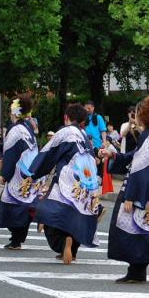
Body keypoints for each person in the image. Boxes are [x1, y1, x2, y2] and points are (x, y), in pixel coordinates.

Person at [104, 93, 149, 283]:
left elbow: (141, 169)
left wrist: (132, 196)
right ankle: (142, 265)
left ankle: (136, 270)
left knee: (129, 228)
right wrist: (113, 156)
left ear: (141, 114)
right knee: (145, 228)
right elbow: (135, 157)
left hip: (145, 190)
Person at [28, 103, 102, 263]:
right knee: (77, 215)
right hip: (89, 185)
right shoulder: (85, 136)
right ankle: (73, 250)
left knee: (47, 212)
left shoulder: (65, 132)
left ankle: (62, 244)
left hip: (67, 180)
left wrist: (34, 173)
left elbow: (48, 154)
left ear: (66, 117)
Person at [0, 94, 44, 249]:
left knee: (11, 206)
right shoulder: (28, 128)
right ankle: (17, 239)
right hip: (33, 171)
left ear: (15, 113)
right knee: (26, 203)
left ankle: (17, 239)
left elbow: (10, 154)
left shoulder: (15, 130)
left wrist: (4, 174)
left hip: (19, 173)